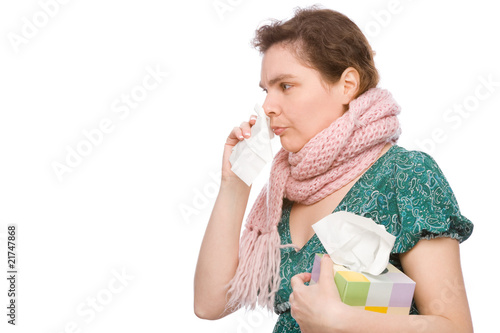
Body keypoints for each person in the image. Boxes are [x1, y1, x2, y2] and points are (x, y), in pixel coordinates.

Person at [194, 6, 474, 333]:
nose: (268, 106)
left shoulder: (405, 174)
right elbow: (209, 304)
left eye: (285, 86)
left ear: (347, 85)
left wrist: (340, 321)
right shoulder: (283, 191)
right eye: (265, 90)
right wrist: (235, 182)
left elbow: (455, 327)